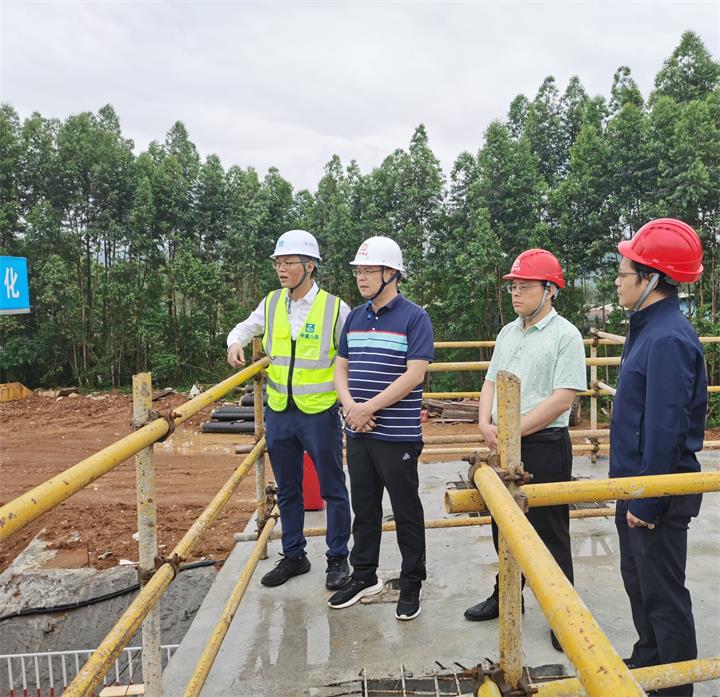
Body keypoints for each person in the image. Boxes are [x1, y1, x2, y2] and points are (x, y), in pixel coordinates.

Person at [463, 249, 587, 652]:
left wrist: (512, 429)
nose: (516, 293)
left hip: (544, 444)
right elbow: (490, 382)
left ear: (550, 290)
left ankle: (563, 614)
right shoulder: (508, 333)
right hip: (504, 442)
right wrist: (484, 422)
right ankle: (507, 597)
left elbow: (562, 398)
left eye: (524, 286)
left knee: (550, 530)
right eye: (513, 286)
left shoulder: (565, 335)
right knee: (502, 525)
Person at [226, 229, 352, 590]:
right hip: (280, 411)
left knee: (333, 489)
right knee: (287, 489)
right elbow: (245, 327)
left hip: (320, 413)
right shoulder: (271, 303)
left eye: (288, 262)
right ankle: (294, 555)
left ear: (309, 266)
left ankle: (337, 558)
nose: (281, 269)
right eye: (278, 263)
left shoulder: (335, 308)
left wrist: (351, 402)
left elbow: (351, 356)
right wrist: (235, 342)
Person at [612, 218, 706, 697]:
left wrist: (646, 502)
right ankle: (648, 660)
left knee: (664, 595)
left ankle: (674, 688)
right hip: (632, 486)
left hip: (655, 496)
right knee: (638, 583)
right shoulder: (647, 328)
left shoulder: (667, 338)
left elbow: (666, 430)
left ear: (651, 279)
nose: (617, 281)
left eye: (623, 273)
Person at [327, 236, 434, 621]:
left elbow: (414, 374)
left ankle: (412, 581)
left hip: (397, 436)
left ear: (392, 274)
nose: (361, 277)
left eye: (369, 270)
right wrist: (350, 407)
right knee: (364, 507)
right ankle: (364, 575)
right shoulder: (355, 317)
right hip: (359, 432)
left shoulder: (414, 318)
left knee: (406, 510)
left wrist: (368, 407)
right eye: (359, 271)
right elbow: (340, 367)